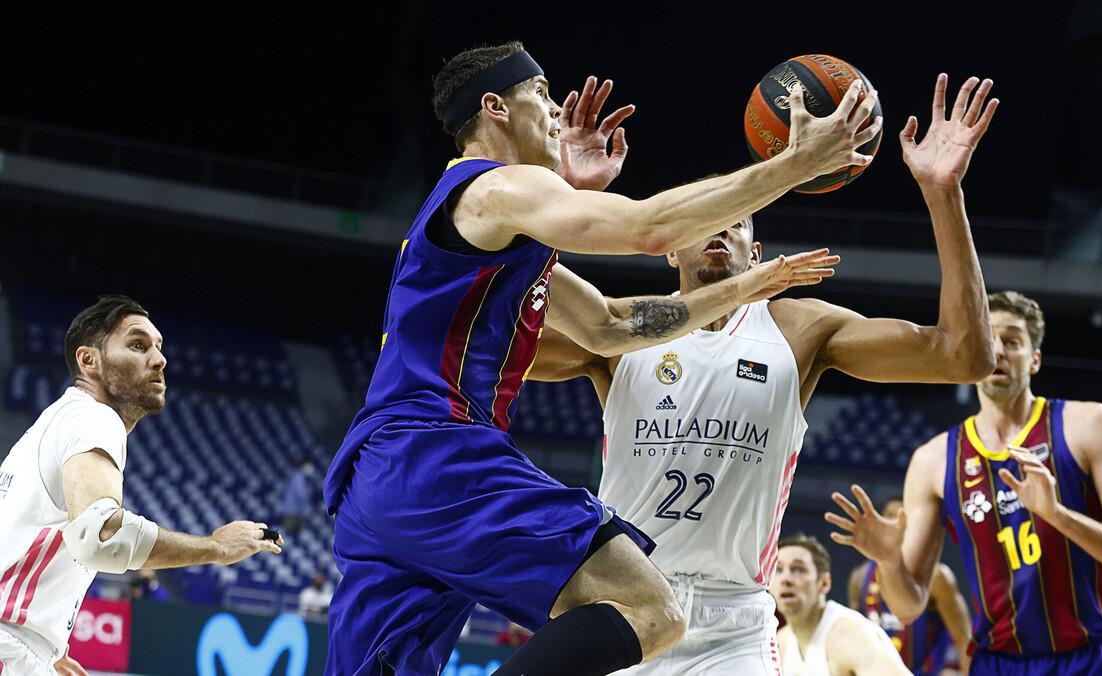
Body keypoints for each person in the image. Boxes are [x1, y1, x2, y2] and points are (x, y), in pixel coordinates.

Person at [322, 39, 879, 676]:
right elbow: (650, 231)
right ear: (494, 107)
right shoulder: (496, 187)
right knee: (652, 609)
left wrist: (745, 288)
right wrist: (791, 167)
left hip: (380, 478)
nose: (557, 112)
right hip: (438, 453)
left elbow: (611, 325)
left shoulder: (486, 219)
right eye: (541, 95)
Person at [529, 73, 998, 674]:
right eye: (702, 219)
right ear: (669, 246)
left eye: (738, 218)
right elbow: (489, 345)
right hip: (623, 603)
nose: (720, 227)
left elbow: (964, 356)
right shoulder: (618, 334)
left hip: (735, 629)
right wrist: (565, 202)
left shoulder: (798, 330)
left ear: (755, 253)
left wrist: (943, 191)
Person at [827, 290, 1102, 674]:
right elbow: (908, 605)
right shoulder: (933, 460)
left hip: (1089, 659)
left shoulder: (1088, 425)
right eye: (988, 339)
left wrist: (1057, 514)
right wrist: (888, 562)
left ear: (1034, 359)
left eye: (1012, 341)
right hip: (998, 664)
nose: (998, 351)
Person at [0, 295, 282, 675]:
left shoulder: (55, 423)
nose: (159, 359)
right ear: (89, 361)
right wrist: (217, 546)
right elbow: (100, 538)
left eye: (159, 348)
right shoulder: (94, 419)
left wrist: (45, 645)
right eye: (138, 345)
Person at [847, 498, 971, 675]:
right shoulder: (860, 577)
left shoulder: (937, 577)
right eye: (889, 516)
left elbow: (964, 639)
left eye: (902, 517)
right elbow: (854, 641)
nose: (893, 524)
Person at [770, 533, 910, 675]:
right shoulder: (780, 642)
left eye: (798, 569)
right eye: (778, 570)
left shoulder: (850, 636)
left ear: (824, 583)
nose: (785, 579)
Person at [280, 457, 315, 534]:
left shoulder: (301, 477)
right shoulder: (298, 476)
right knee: (290, 533)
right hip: (292, 511)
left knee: (297, 533)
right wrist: (308, 506)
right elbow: (301, 494)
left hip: (297, 511)